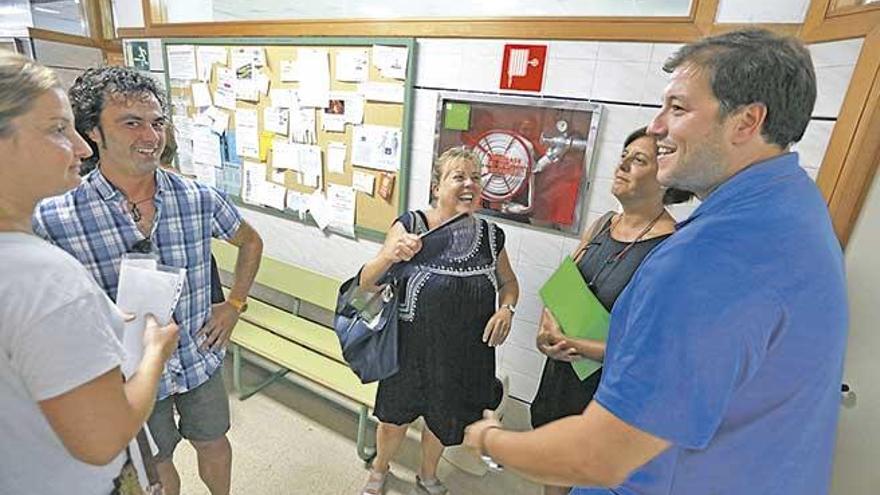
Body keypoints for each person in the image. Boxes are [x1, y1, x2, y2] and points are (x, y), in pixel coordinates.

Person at [463, 28, 847, 495]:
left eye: (678, 108)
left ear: (746, 121)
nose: (657, 126)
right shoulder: (795, 208)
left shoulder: (709, 254)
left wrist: (490, 440)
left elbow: (599, 455)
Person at [32, 66, 264, 495]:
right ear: (93, 133)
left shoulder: (197, 198)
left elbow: (251, 242)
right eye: (131, 123)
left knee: (214, 442)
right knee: (156, 464)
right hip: (127, 374)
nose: (150, 136)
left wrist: (233, 305)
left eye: (157, 122)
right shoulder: (56, 217)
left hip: (198, 355)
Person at [0, 52, 179, 494]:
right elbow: (102, 439)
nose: (81, 149)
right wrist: (155, 352)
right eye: (58, 130)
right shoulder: (43, 276)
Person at [530, 127, 692, 495]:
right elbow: (560, 288)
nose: (622, 164)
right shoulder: (602, 224)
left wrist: (572, 343)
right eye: (624, 154)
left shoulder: (671, 249)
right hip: (561, 373)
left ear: (666, 176)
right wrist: (547, 332)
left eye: (639, 160)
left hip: (606, 391)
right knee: (553, 471)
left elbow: (652, 349)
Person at [360, 147, 520, 495]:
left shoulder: (492, 237)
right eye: (458, 176)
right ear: (437, 187)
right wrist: (390, 255)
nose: (469, 184)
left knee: (443, 422)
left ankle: (427, 474)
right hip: (409, 350)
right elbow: (367, 283)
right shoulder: (410, 225)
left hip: (463, 354)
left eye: (476, 178)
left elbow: (509, 284)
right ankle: (379, 468)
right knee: (392, 421)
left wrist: (506, 309)